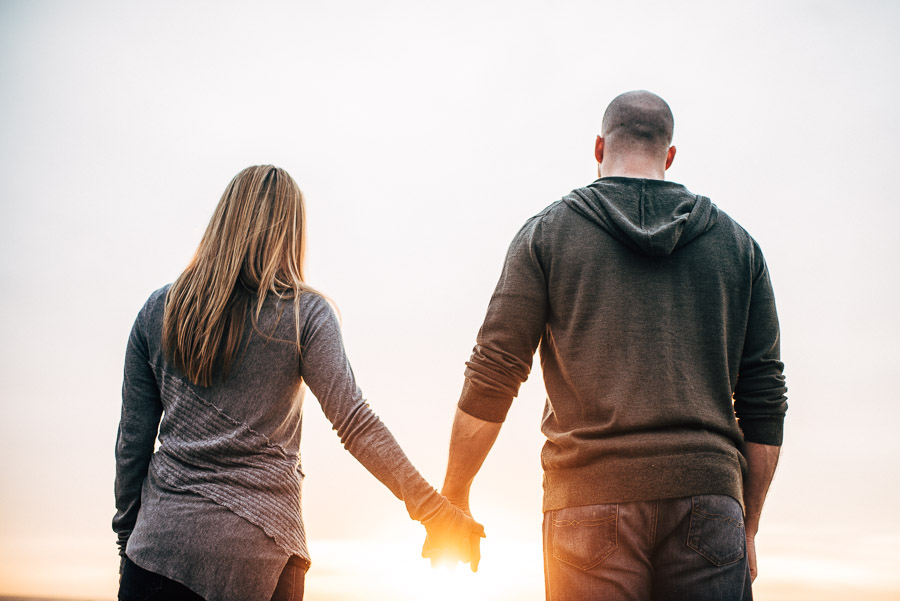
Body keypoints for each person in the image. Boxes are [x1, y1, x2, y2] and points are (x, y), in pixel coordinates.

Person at [433, 91, 787, 600]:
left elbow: (493, 373)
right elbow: (764, 398)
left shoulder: (547, 235)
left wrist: (456, 494)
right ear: (669, 156)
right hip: (710, 503)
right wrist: (747, 526)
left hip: (586, 502)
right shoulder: (737, 245)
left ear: (598, 147)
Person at [113, 165, 484, 601]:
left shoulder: (160, 310)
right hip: (263, 554)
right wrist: (434, 512)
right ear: (291, 231)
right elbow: (354, 421)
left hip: (158, 550)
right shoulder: (303, 314)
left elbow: (132, 444)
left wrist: (128, 538)